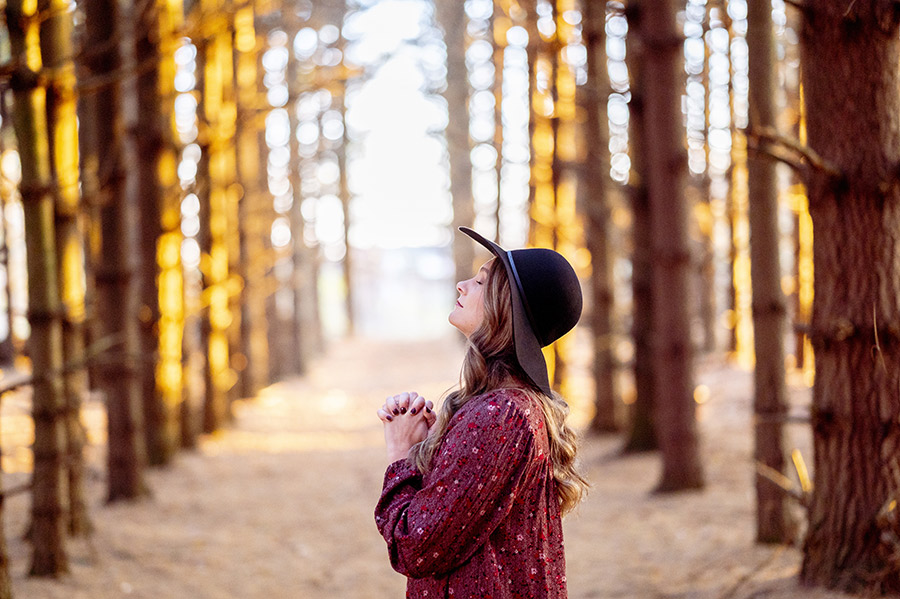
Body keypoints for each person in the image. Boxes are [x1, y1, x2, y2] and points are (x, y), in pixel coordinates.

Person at [374, 227, 588, 599]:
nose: (461, 285)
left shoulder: (499, 415)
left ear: (506, 307)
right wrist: (432, 450)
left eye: (480, 281)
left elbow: (417, 545)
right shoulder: (509, 406)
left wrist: (401, 456)